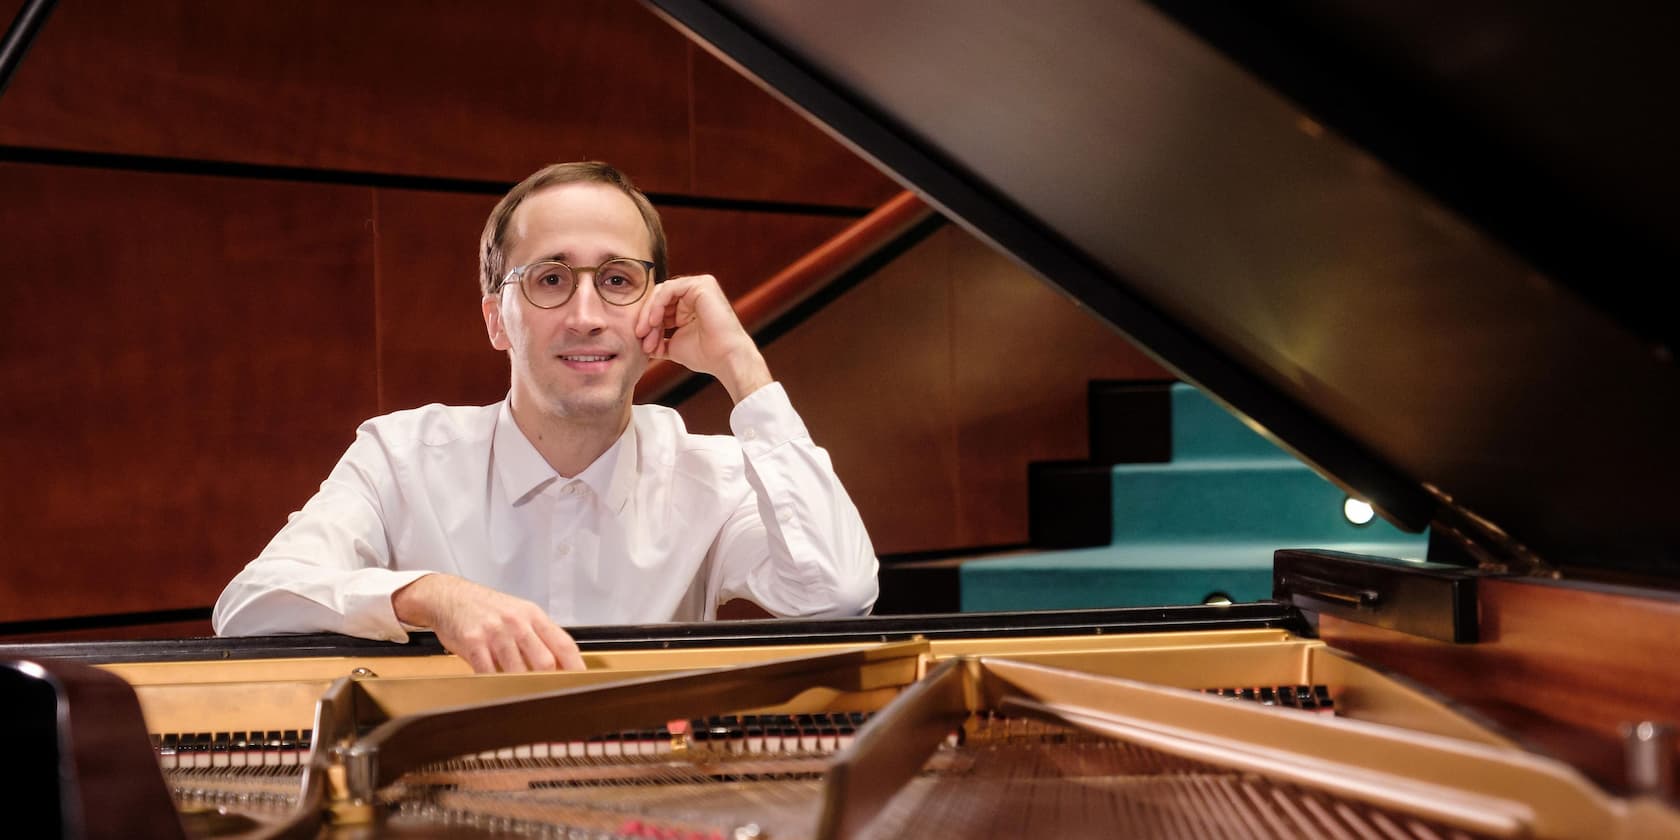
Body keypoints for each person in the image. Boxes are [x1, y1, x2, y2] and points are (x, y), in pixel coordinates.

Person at [212, 162, 879, 672]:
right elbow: (250, 607)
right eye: (551, 279)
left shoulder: (717, 474)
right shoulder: (398, 457)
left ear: (658, 305)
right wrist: (432, 596)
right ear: (496, 319)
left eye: (617, 279)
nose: (586, 315)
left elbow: (838, 594)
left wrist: (742, 367)